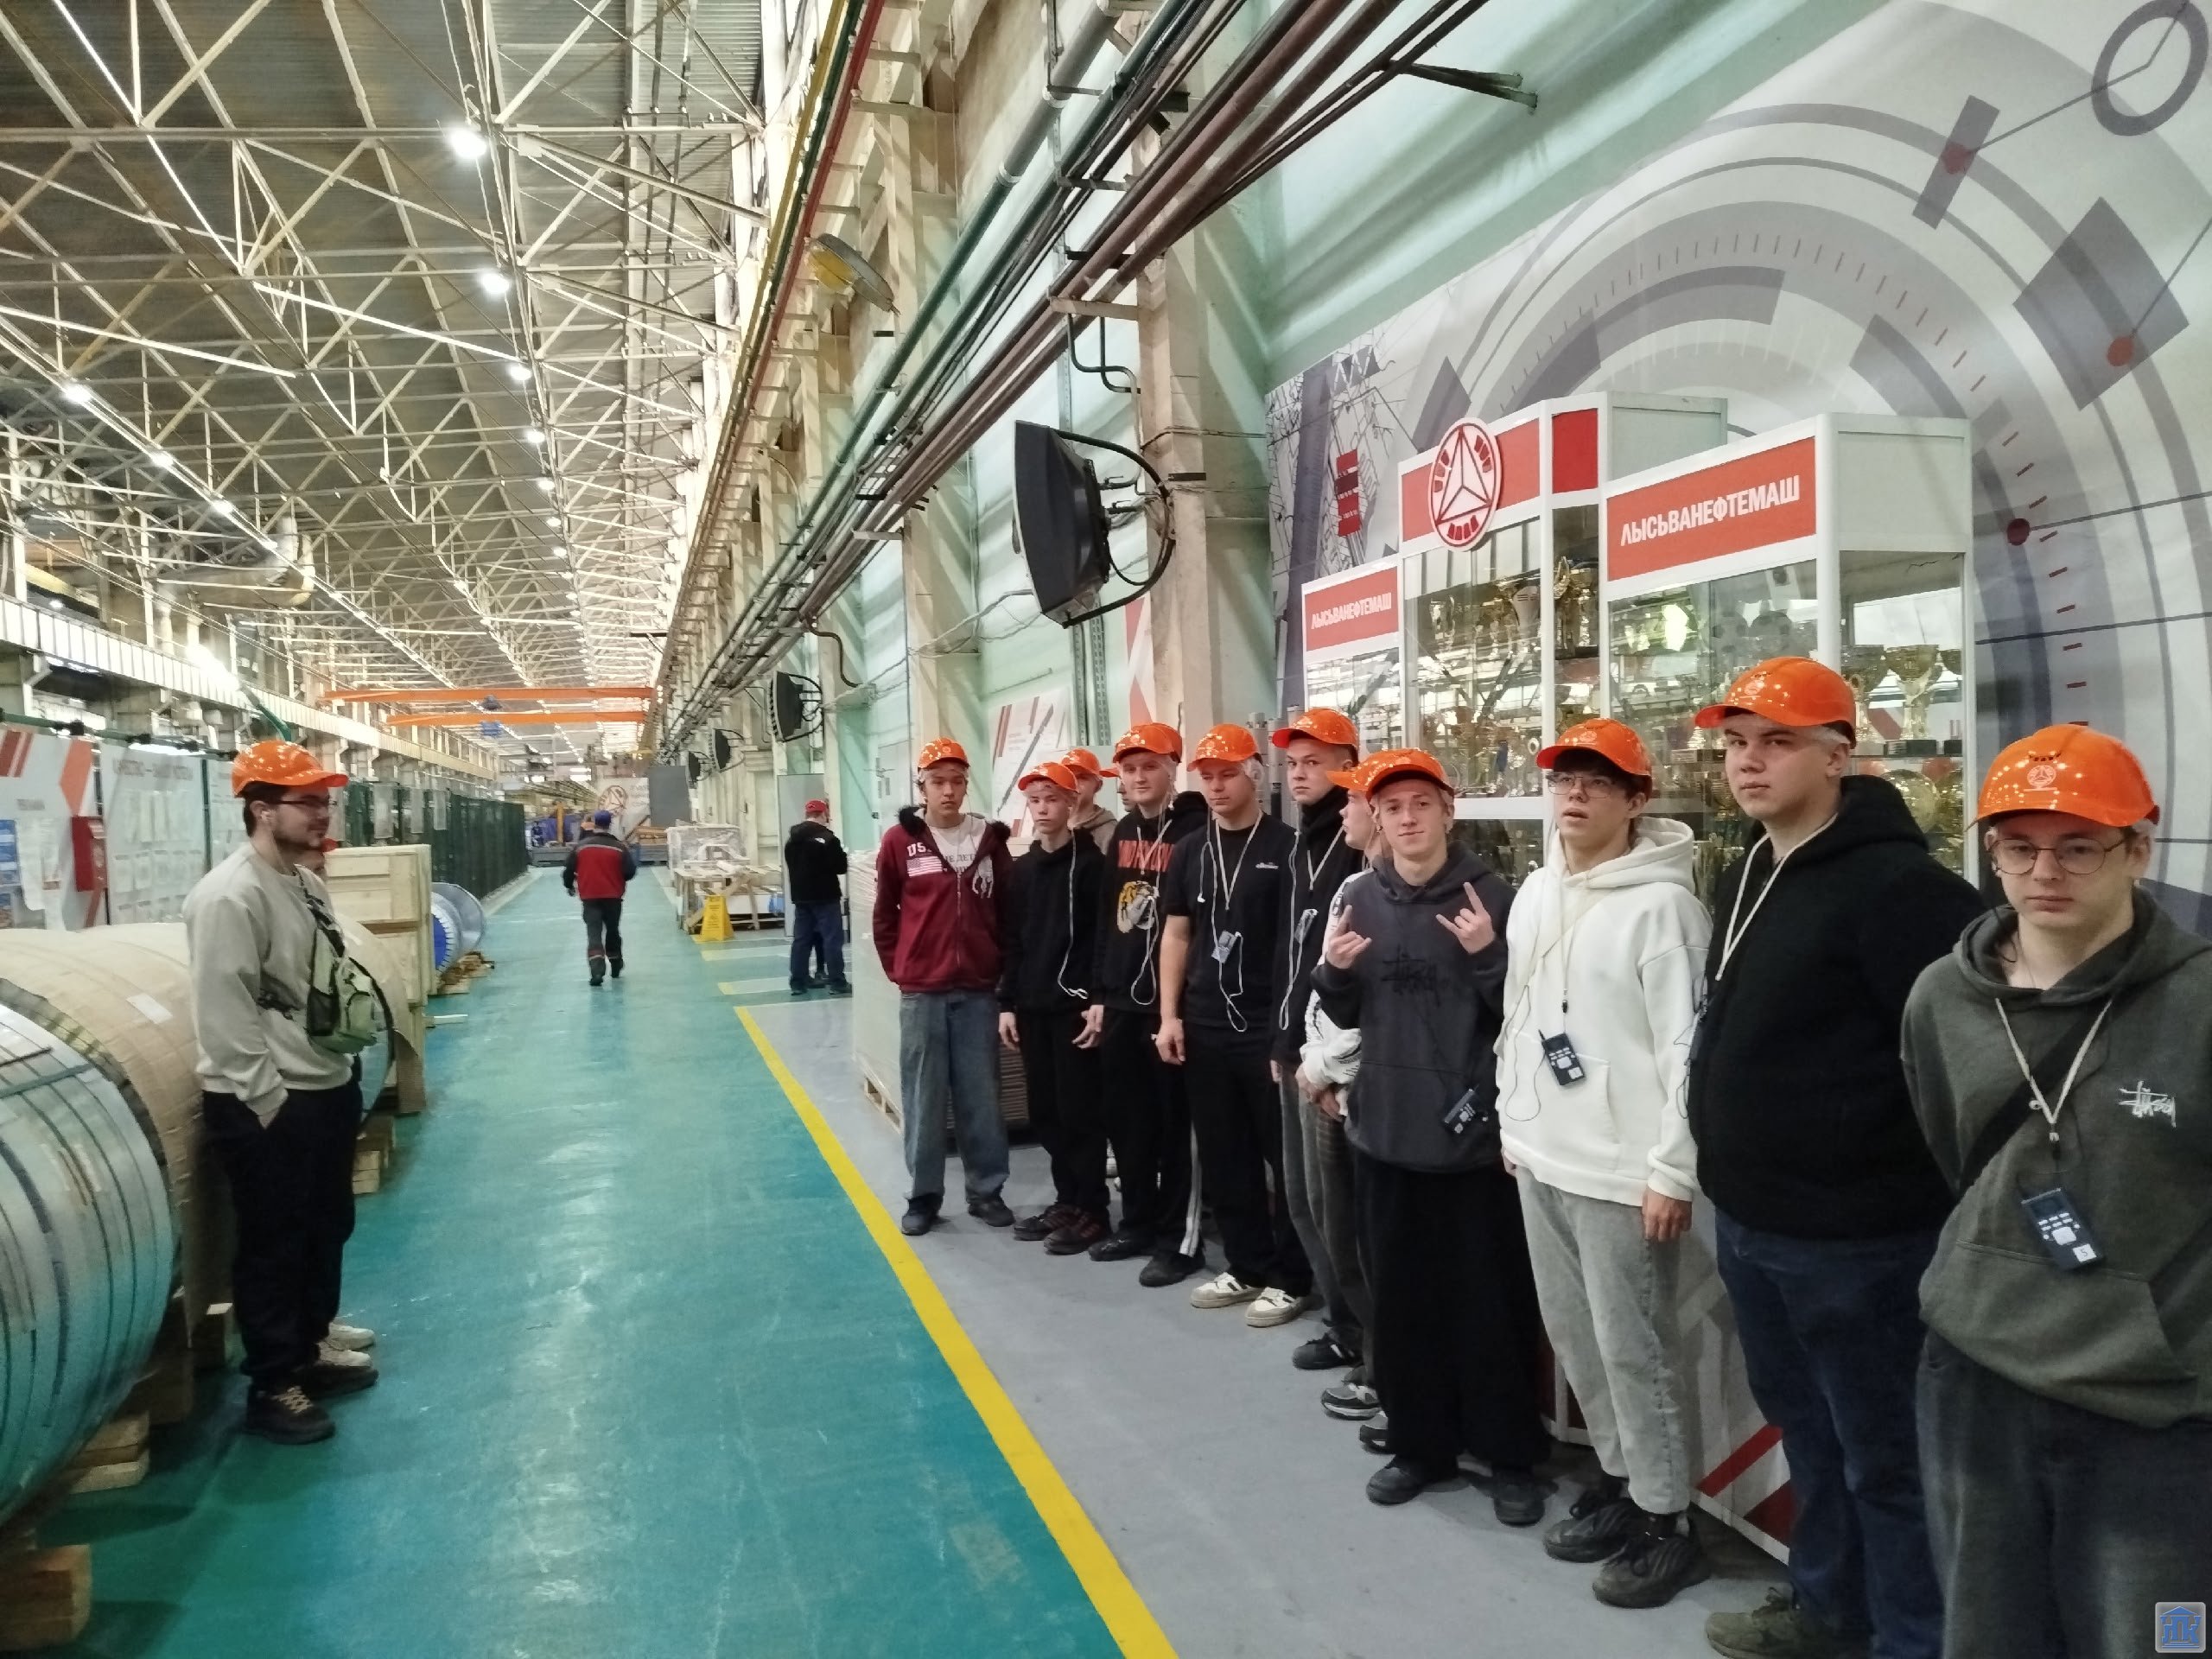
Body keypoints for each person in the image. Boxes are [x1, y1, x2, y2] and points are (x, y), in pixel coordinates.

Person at [1688, 658, 1984, 1659]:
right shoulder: (1749, 867)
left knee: (1888, 1460)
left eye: (1776, 742)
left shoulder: (1902, 891)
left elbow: (1958, 1066)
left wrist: (1875, 1172)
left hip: (1858, 1243)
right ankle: (1827, 1610)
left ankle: (1913, 1639)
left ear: (1838, 756)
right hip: (1752, 1222)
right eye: (1735, 743)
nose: (1747, 762)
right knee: (1809, 1437)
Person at [1902, 726, 2212, 1658]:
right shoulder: (1940, 999)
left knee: (2165, 1635)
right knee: (1985, 1631)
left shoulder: (2199, 1003)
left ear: (2138, 851)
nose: (2045, 872)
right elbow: (1950, 1153)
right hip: (1975, 1380)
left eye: (2079, 846)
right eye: (2018, 847)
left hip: (2154, 1407)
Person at [1497, 718, 1712, 1607]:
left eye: (1597, 783)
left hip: (1623, 1174)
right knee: (1576, 1337)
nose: (1575, 796)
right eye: (1563, 781)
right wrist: (1512, 1120)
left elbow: (1686, 1049)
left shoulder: (1666, 910)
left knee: (1636, 1350)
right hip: (1542, 1154)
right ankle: (1624, 1483)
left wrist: (1671, 1169)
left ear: (1635, 800)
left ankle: (1668, 1518)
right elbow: (1518, 1012)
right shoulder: (1536, 891)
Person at [1311, 748, 1549, 1523]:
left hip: (1471, 1145)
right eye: (1392, 808)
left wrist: (1488, 956)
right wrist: (1334, 973)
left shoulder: (1495, 898)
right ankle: (1421, 1446)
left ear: (1449, 810)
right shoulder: (1358, 898)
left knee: (1488, 1305)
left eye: (1421, 803)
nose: (1407, 818)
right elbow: (1343, 1012)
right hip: (1385, 1135)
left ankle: (1509, 1455)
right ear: (1377, 820)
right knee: (1402, 1304)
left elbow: (1523, 1017)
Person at [184, 741, 381, 1446]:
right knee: (275, 1243)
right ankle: (274, 1385)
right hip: (269, 1100)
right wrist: (268, 1102)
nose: (323, 814)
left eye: (326, 802)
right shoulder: (229, 896)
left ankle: (311, 1343)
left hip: (323, 1082)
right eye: (308, 803)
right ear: (262, 810)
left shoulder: (304, 882)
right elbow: (223, 1010)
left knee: (328, 1224)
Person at [1157, 722, 1313, 1325]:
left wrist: (1288, 1034)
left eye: (1228, 775)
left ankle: (1293, 1277)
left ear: (1254, 775)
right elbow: (1176, 934)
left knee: (1284, 1157)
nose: (1217, 786)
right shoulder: (1190, 850)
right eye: (1208, 777)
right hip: (1204, 1023)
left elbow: (1298, 946)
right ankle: (1247, 1265)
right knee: (1225, 1154)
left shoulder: (1287, 847)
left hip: (1265, 1026)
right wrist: (1169, 1016)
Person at [1076, 722, 1210, 1281]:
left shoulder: (1196, 831)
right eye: (1129, 770)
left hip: (1171, 1007)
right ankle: (1136, 1222)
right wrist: (1101, 994)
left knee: (1175, 1126)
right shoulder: (1125, 831)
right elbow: (1108, 918)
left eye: (1149, 766)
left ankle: (1180, 1239)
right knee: (1128, 1122)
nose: (1137, 777)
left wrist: (1180, 1005)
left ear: (1172, 768)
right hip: (1123, 1003)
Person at [874, 737, 1017, 1237]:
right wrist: (902, 970)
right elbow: (885, 915)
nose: (949, 791)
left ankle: (986, 1191)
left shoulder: (989, 840)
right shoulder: (900, 842)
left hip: (978, 991)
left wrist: (1000, 973)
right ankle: (924, 1196)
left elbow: (1007, 914)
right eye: (938, 782)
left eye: (957, 781)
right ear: (923, 787)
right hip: (922, 993)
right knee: (923, 1097)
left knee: (982, 1095)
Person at [1269, 709, 1370, 1376]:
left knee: (1339, 1211)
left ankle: (1363, 1336)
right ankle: (1341, 1323)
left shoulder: (1358, 847)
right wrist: (1278, 1041)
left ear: (1347, 766)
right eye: (1294, 764)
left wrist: (1333, 1063)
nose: (1300, 775)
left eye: (1314, 763)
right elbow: (1289, 953)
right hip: (1292, 1048)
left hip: (1331, 1060)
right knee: (1303, 1201)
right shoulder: (1299, 844)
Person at [1297, 757, 1383, 1423]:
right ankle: (1369, 1352)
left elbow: (1378, 1013)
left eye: (1351, 800)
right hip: (1328, 1082)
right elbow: (1326, 990)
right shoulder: (1353, 885)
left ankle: (1386, 1372)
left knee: (1370, 1245)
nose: (1343, 811)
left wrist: (1329, 1069)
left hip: (1361, 1095)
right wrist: (1313, 1060)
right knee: (1339, 1233)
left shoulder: (1387, 898)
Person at [999, 760, 1110, 1255]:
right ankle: (1067, 1200)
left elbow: (1103, 938)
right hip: (1032, 1006)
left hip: (1074, 1010)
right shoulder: (1022, 871)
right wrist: (1007, 1002)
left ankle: (1093, 1209)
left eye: (1051, 799)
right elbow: (1013, 940)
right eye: (1034, 801)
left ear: (1071, 802)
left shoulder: (1091, 866)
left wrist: (1097, 998)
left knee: (1079, 1110)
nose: (1042, 809)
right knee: (1045, 1111)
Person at [785, 798, 851, 997]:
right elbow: (841, 867)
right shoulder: (828, 839)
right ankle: (837, 982)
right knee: (831, 940)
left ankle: (798, 982)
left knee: (801, 940)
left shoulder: (791, 840)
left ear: (807, 814)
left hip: (801, 898)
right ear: (824, 814)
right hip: (826, 897)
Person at [563, 808, 637, 986]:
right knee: (612, 930)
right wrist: (616, 877)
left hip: (590, 897)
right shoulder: (619, 848)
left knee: (594, 933)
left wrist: (569, 886)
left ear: (595, 824)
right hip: (613, 897)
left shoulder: (581, 847)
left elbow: (568, 870)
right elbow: (629, 872)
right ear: (609, 825)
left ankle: (596, 971)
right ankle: (616, 963)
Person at [1060, 748, 1120, 852]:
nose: (1074, 784)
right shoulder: (1050, 825)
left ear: (1098, 785)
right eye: (1069, 777)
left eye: (1082, 777)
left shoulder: (1110, 833)